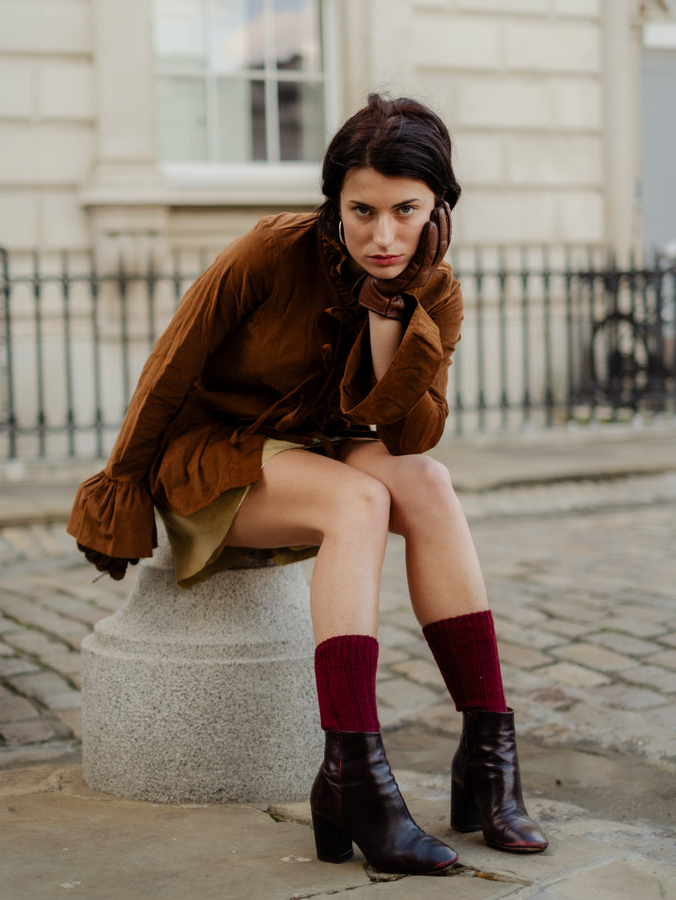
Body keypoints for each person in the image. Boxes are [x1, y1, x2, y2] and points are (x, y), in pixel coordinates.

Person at [68, 93, 547, 875]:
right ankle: (355, 775)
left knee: (427, 482)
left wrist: (391, 315)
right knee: (358, 500)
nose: (383, 236)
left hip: (318, 448)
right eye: (362, 210)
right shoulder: (271, 251)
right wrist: (119, 490)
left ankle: (488, 758)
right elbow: (169, 369)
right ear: (335, 201)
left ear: (438, 208)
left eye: (405, 211)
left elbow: (409, 435)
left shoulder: (434, 290)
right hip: (216, 452)